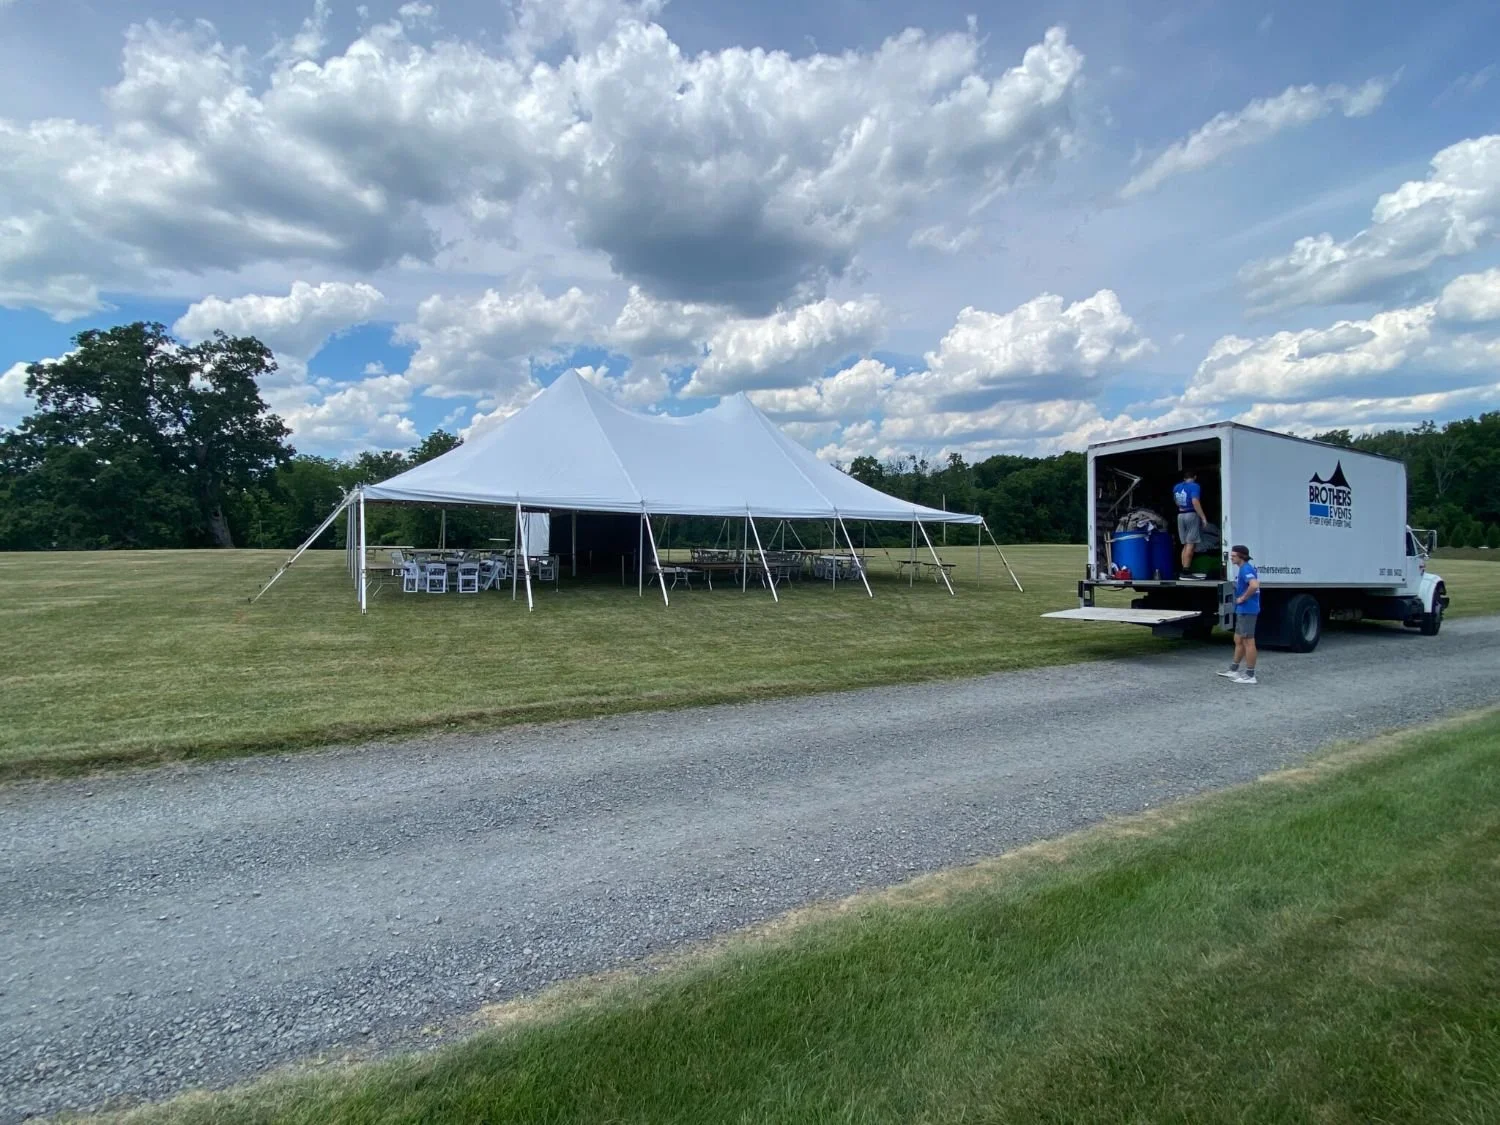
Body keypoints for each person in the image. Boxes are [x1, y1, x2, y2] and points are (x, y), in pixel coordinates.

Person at [1217, 544, 1260, 684]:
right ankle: (1234, 670)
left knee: (1248, 641)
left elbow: (1254, 585)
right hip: (1242, 610)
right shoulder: (1242, 569)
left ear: (1242, 556)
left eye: (1234, 556)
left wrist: (1242, 598)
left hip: (1248, 610)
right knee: (1239, 640)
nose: (1231, 557)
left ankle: (1250, 675)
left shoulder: (1246, 569)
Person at [1173, 470, 1209, 574]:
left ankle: (1183, 568)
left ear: (1184, 478)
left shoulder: (1176, 487)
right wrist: (1203, 517)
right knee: (1190, 543)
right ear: (1195, 477)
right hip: (1191, 514)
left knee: (1185, 544)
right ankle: (1186, 570)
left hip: (1180, 515)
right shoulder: (1194, 486)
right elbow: (1195, 501)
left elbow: (1176, 501)